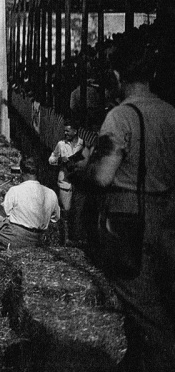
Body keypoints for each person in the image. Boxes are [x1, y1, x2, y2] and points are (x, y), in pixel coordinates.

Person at [87, 32, 175, 370]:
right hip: (168, 216)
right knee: (161, 299)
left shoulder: (120, 117)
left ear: (117, 77)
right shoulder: (170, 113)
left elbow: (102, 177)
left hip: (128, 218)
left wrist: (84, 168)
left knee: (142, 305)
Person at [0, 156, 59, 284]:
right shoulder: (51, 193)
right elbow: (55, 218)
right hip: (39, 239)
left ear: (21, 172)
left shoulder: (15, 190)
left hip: (16, 237)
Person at [48, 123, 85, 240]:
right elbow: (51, 159)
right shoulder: (61, 144)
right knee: (66, 211)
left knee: (79, 211)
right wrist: (59, 160)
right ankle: (66, 237)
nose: (65, 133)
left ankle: (77, 236)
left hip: (79, 183)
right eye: (64, 131)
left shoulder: (83, 144)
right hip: (65, 182)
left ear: (75, 131)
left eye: (68, 131)